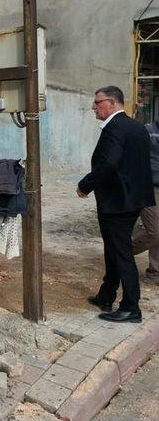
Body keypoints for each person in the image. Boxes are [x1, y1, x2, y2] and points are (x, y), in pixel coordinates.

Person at [77, 86, 155, 323]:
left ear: (111, 103)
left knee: (121, 254)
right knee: (113, 250)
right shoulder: (136, 126)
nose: (94, 107)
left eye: (97, 102)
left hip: (118, 203)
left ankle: (131, 307)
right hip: (132, 199)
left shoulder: (115, 128)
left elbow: (109, 165)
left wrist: (85, 185)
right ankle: (106, 295)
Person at [132, 119, 159, 283]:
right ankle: (123, 253)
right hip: (150, 187)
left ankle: (155, 272)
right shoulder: (147, 131)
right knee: (155, 231)